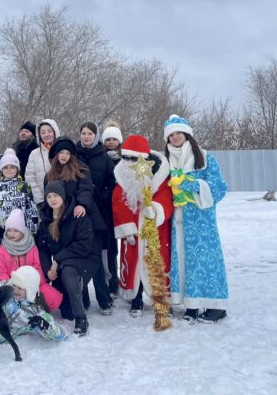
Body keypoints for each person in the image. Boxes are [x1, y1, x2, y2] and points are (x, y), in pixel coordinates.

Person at [164, 114, 229, 323]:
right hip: (177, 221)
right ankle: (190, 306)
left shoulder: (205, 157)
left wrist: (191, 185)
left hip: (201, 221)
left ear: (187, 134)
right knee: (183, 263)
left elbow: (219, 188)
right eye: (171, 135)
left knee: (205, 262)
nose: (175, 137)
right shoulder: (166, 161)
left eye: (178, 133)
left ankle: (216, 307)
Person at [46, 136, 113, 314]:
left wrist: (82, 204)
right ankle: (82, 300)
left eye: (67, 152)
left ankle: (104, 301)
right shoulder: (50, 174)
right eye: (61, 152)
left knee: (95, 262)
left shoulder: (80, 169)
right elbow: (49, 196)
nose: (64, 156)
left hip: (85, 217)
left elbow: (86, 189)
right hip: (64, 222)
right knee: (72, 261)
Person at [112, 135, 174, 317]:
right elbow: (118, 201)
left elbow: (166, 196)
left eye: (132, 159)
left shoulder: (159, 173)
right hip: (132, 232)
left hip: (155, 229)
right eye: (125, 158)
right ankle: (136, 299)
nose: (127, 162)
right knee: (133, 266)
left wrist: (155, 209)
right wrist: (127, 228)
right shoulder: (122, 174)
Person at [36, 181, 100, 336]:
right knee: (66, 312)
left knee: (68, 272)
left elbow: (84, 245)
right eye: (49, 196)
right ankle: (80, 296)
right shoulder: (46, 219)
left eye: (56, 195)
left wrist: (56, 261)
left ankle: (81, 318)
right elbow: (42, 249)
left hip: (84, 257)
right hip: (63, 261)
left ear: (63, 196)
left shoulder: (77, 214)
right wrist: (48, 270)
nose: (52, 199)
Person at [75, 122, 119, 297]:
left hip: (101, 209)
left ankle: (110, 284)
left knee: (105, 249)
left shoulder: (104, 157)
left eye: (90, 134)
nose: (86, 137)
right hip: (81, 209)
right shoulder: (74, 155)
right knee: (82, 246)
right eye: (83, 133)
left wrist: (102, 196)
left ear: (96, 136)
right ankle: (82, 290)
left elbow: (112, 183)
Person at [0, 209, 63, 312]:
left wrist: (31, 284)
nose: (11, 233)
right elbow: (0, 272)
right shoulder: (3, 249)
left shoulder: (31, 246)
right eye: (9, 230)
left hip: (31, 283)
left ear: (22, 231)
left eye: (15, 230)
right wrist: (13, 284)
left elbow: (37, 267)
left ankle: (41, 312)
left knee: (54, 297)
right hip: (12, 285)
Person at [0, 148, 39, 237]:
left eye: (12, 167)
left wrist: (31, 232)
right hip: (0, 233)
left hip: (21, 233)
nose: (9, 170)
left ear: (17, 169)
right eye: (6, 167)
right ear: (1, 169)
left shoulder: (24, 186)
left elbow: (31, 210)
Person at [25, 119, 61, 208]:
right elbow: (30, 178)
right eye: (43, 132)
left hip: (62, 200)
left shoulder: (62, 151)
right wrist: (40, 200)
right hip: (42, 202)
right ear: (39, 135)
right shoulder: (34, 154)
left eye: (49, 131)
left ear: (55, 132)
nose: (46, 134)